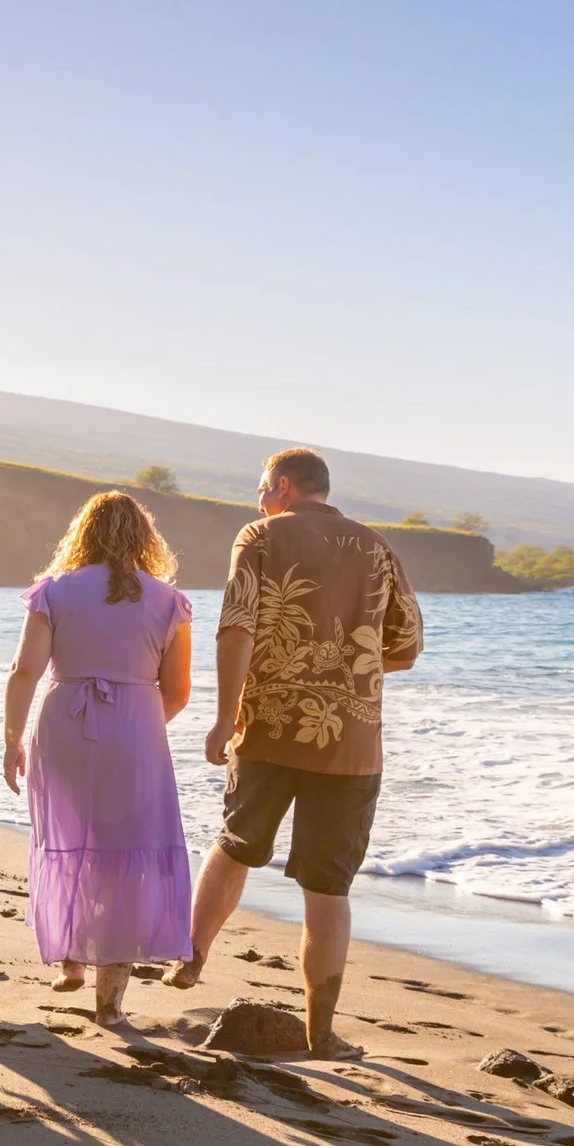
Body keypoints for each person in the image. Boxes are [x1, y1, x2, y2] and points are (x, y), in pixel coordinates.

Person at [170, 447, 422, 1056]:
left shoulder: (259, 536)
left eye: (262, 488)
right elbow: (409, 645)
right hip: (352, 742)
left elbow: (237, 628)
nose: (259, 499)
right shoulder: (376, 547)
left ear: (284, 486)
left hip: (270, 726)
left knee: (236, 842)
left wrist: (225, 716)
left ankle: (192, 955)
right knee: (327, 887)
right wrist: (348, 667)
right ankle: (321, 1032)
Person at [1, 492, 194, 1023]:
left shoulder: (54, 593)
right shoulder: (168, 601)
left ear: (82, 534)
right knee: (125, 854)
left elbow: (25, 673)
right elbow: (177, 690)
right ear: (144, 539)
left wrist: (12, 739)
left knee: (69, 839)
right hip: (136, 732)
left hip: (63, 725)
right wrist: (136, 729)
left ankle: (69, 960)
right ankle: (109, 1003)